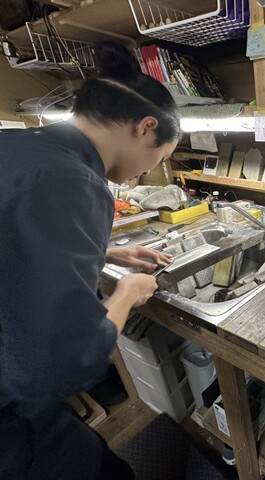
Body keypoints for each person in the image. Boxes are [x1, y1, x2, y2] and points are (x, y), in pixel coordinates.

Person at [0, 42, 181, 479]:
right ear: (145, 127)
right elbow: (69, 359)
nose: (147, 172)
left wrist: (105, 252)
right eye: (159, 157)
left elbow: (15, 249)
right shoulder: (74, 181)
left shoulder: (16, 145)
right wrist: (126, 293)